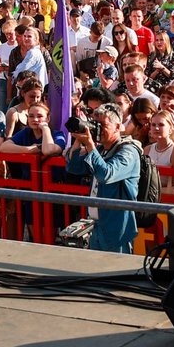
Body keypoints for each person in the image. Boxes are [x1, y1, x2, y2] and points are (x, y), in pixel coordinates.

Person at [64, 100, 142, 253]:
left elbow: (105, 174)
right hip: (97, 224)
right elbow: (73, 167)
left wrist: (90, 146)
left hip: (117, 227)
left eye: (103, 126)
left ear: (118, 127)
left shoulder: (128, 152)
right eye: (96, 125)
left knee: (116, 274)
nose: (97, 130)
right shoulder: (101, 149)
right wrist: (79, 141)